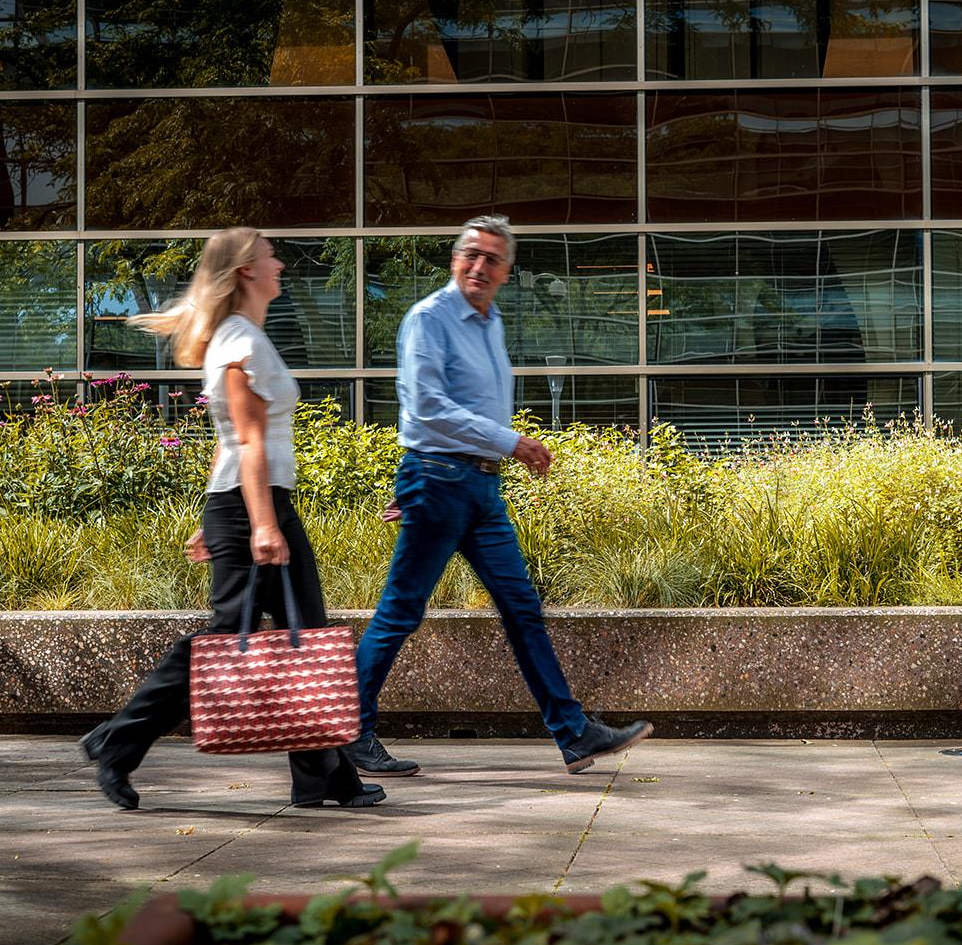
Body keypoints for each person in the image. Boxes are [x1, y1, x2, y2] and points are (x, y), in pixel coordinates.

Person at [80, 227, 383, 811]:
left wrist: (216, 512)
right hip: (256, 509)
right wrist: (259, 524)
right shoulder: (238, 340)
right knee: (226, 638)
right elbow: (247, 440)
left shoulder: (243, 338)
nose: (281, 268)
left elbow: (229, 441)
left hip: (251, 504)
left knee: (307, 639)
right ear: (246, 269)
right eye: (272, 258)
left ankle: (325, 778)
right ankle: (116, 742)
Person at [351, 215, 651, 777]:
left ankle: (575, 733)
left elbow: (474, 410)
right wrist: (510, 443)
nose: (479, 267)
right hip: (437, 480)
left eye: (492, 259)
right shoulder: (428, 319)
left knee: (522, 609)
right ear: (454, 259)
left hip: (481, 487)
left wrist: (498, 451)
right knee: (401, 611)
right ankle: (350, 731)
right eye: (471, 254)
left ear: (507, 273)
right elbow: (428, 408)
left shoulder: (491, 324)